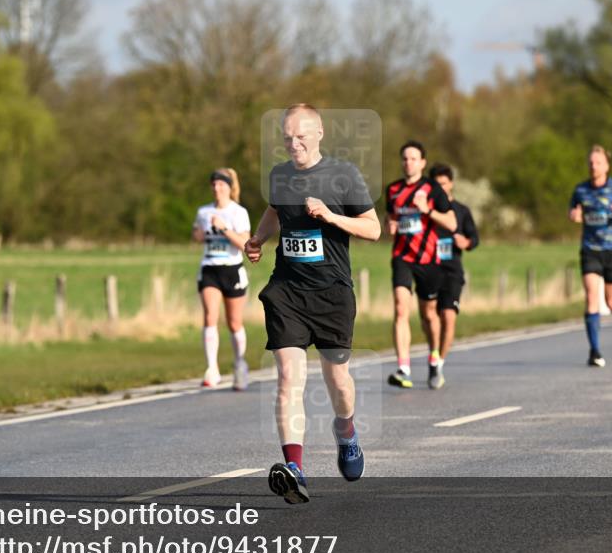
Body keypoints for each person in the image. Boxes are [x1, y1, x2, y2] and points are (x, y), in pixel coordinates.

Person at [245, 104, 381, 504]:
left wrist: (331, 217)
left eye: (301, 135)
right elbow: (273, 210)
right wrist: (259, 239)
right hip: (286, 290)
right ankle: (295, 469)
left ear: (319, 132)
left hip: (332, 292)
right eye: (287, 137)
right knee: (289, 377)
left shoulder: (344, 175)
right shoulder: (280, 175)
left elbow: (374, 228)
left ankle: (347, 431)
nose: (294, 143)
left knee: (338, 380)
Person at [384, 142, 456, 390]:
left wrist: (428, 211)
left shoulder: (433, 188)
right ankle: (403, 368)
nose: (408, 163)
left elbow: (452, 223)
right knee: (401, 309)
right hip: (402, 257)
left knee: (428, 314)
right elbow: (391, 218)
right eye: (405, 158)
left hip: (428, 260)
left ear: (423, 162)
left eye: (414, 159)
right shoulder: (392, 189)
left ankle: (434, 358)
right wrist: (390, 226)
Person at [568, 145, 612, 367]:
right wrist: (575, 215)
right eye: (590, 162)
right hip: (590, 250)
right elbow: (574, 213)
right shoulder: (581, 190)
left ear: (606, 166)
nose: (593, 166)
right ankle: (594, 351)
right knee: (591, 298)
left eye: (597, 162)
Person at [192, 168, 252, 390]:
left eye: (221, 185)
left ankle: (240, 365)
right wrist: (200, 232)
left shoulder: (238, 212)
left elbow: (244, 244)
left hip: (232, 269)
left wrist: (224, 228)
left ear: (229, 187)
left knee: (234, 322)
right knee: (210, 316)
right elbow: (197, 235)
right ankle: (212, 369)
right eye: (214, 185)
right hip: (210, 268)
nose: (217, 188)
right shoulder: (204, 211)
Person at [428, 163, 479, 387]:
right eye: (436, 185)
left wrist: (465, 242)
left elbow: (474, 239)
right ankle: (433, 352)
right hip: (428, 268)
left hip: (452, 270)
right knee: (430, 317)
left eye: (444, 184)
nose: (440, 188)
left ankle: (439, 362)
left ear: (451, 184)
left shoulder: (461, 210)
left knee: (448, 316)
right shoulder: (425, 211)